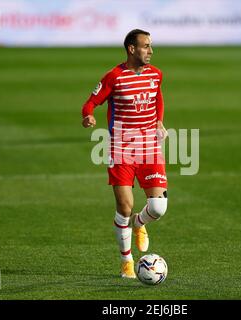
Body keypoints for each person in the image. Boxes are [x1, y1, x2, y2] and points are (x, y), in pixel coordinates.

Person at [81, 29, 168, 279]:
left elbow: (157, 98)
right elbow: (90, 102)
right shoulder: (114, 77)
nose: (151, 51)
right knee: (125, 207)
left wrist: (159, 121)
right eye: (146, 46)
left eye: (151, 46)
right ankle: (126, 261)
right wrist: (88, 115)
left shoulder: (156, 75)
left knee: (159, 207)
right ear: (132, 49)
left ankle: (140, 223)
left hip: (149, 147)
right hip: (121, 150)